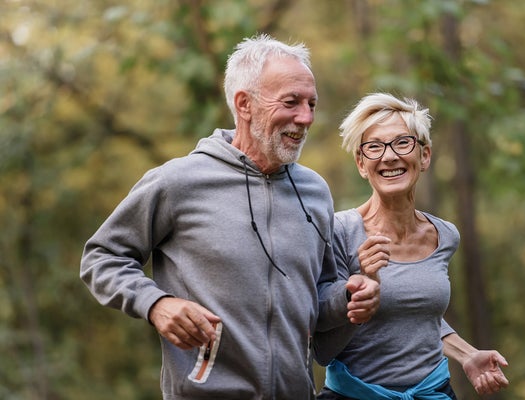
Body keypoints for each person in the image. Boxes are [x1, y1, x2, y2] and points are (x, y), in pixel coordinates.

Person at [80, 34, 380, 400]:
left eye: (311, 104)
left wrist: (348, 297)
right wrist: (155, 304)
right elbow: (102, 257)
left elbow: (317, 300)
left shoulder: (315, 192)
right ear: (244, 104)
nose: (305, 118)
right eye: (291, 102)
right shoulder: (179, 182)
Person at [312, 93, 509, 399]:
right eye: (374, 147)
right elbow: (323, 347)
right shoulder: (337, 231)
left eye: (402, 142)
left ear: (425, 155)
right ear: (362, 164)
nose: (389, 156)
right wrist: (364, 286)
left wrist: (467, 354)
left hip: (434, 392)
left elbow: (418, 315)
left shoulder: (445, 235)